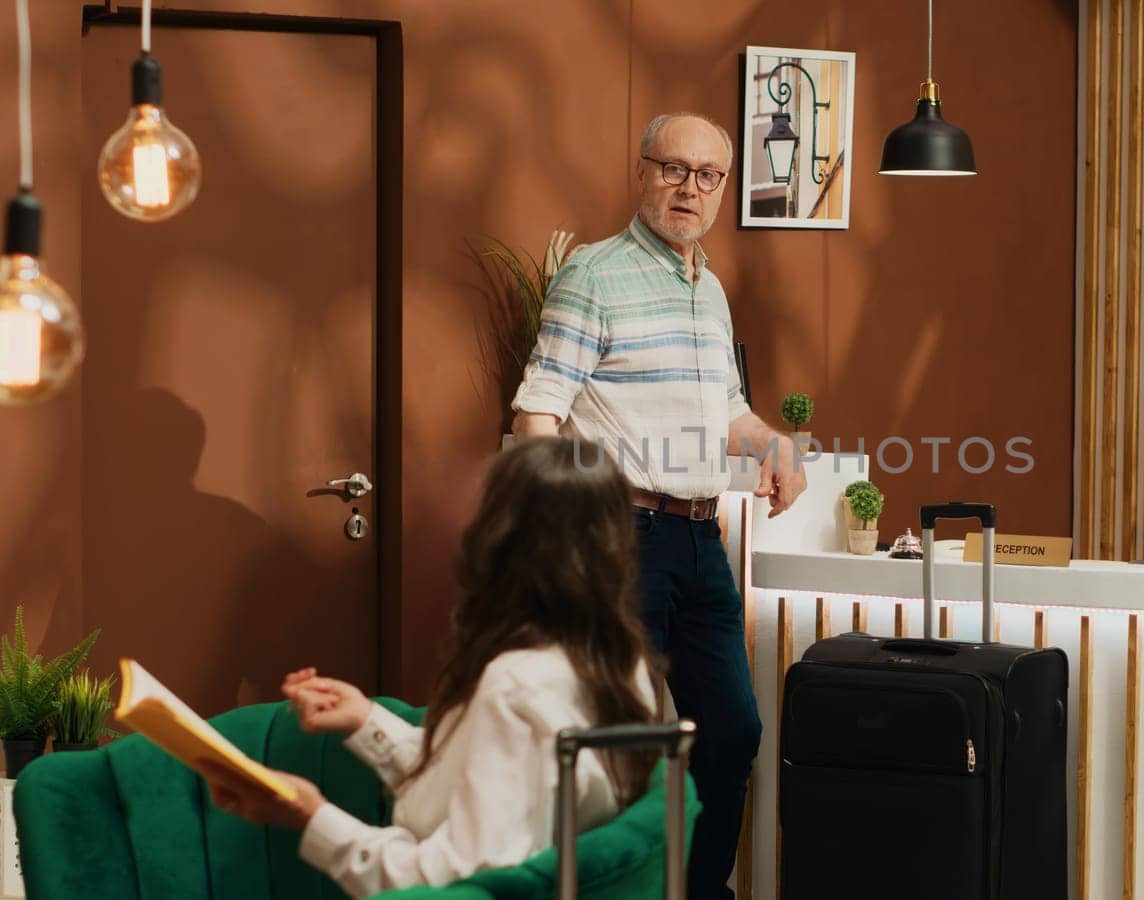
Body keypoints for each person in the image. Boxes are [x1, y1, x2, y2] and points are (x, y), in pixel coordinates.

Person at [509, 112, 807, 899]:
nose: (690, 188)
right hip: (617, 537)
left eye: (708, 175)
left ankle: (699, 892)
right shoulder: (594, 275)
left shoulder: (708, 290)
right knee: (622, 747)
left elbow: (729, 412)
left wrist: (775, 447)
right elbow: (538, 411)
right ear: (641, 172)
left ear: (723, 190)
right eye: (674, 169)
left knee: (733, 731)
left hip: (699, 540)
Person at [198, 438, 661, 898]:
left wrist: (310, 816)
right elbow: (494, 778)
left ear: (504, 542)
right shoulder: (620, 663)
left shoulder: (518, 685)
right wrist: (366, 721)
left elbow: (454, 881)